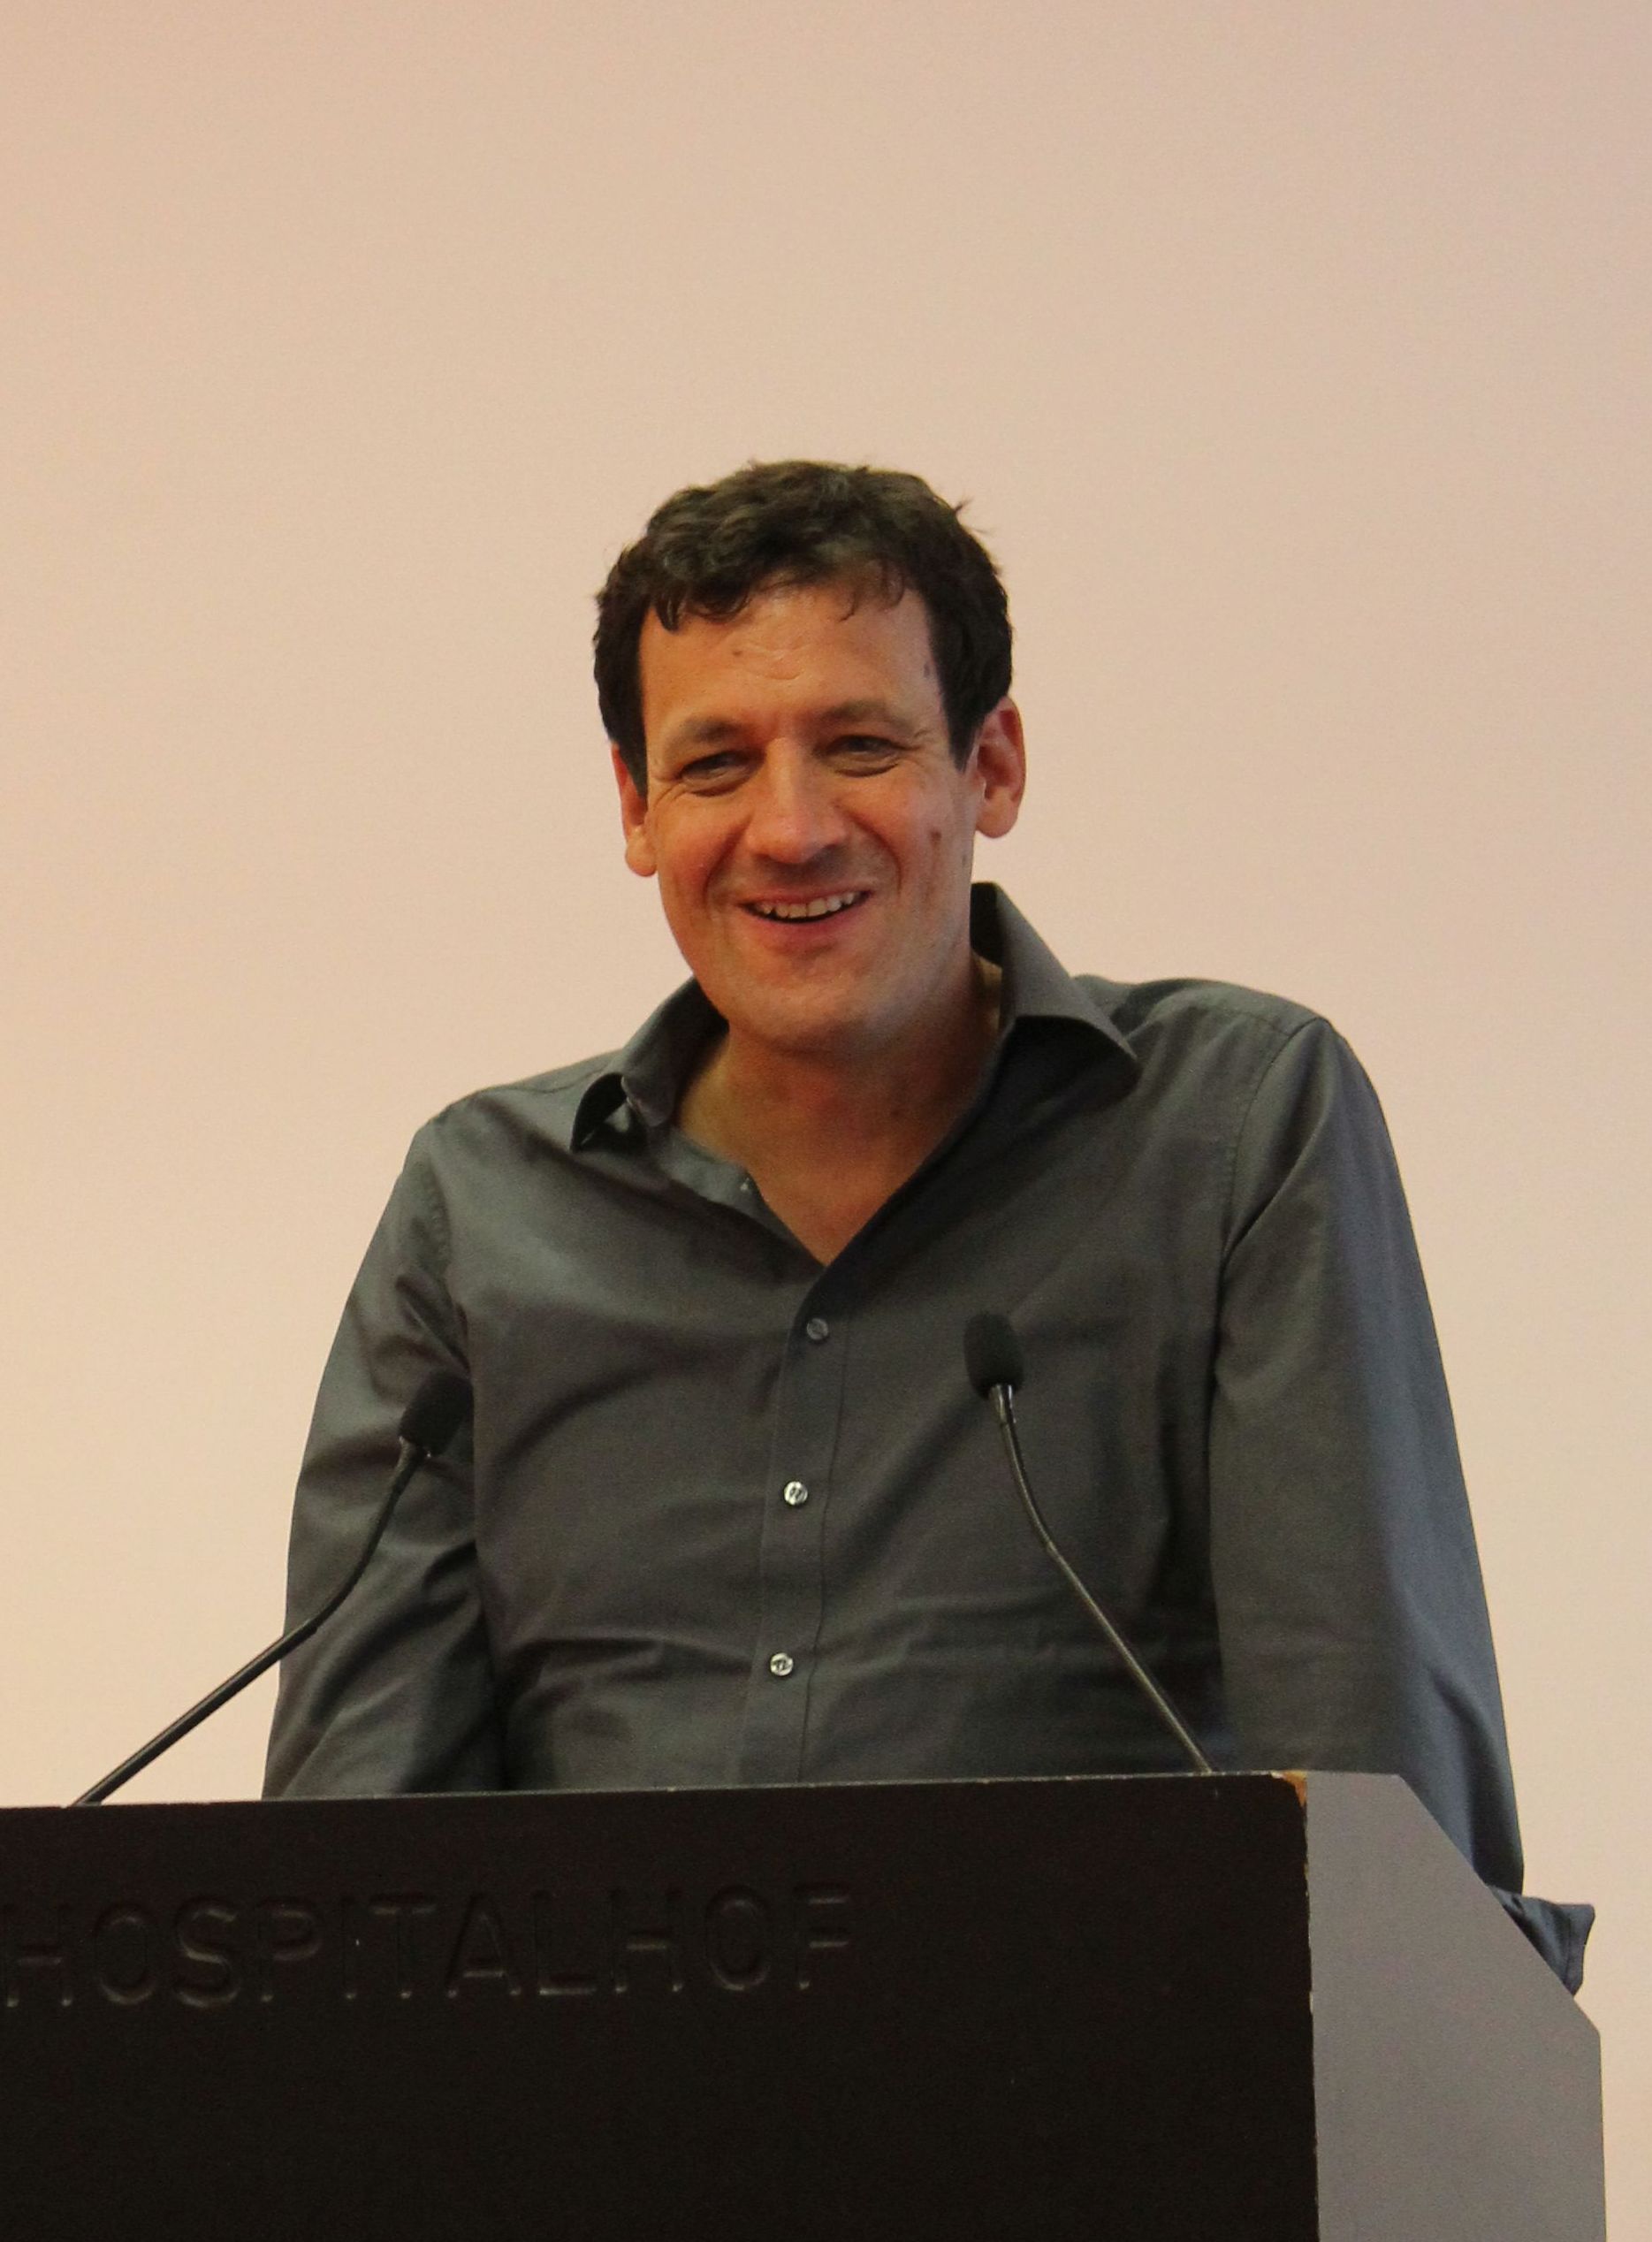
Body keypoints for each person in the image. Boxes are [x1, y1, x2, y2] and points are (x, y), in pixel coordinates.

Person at [263, 459, 1587, 1987]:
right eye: (714, 764)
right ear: (635, 809)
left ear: (991, 768)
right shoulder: (484, 1205)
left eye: (859, 746)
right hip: (600, 2114)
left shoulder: (1230, 1130)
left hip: (1103, 2084)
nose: (789, 828)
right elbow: (343, 1892)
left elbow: (1377, 1831)